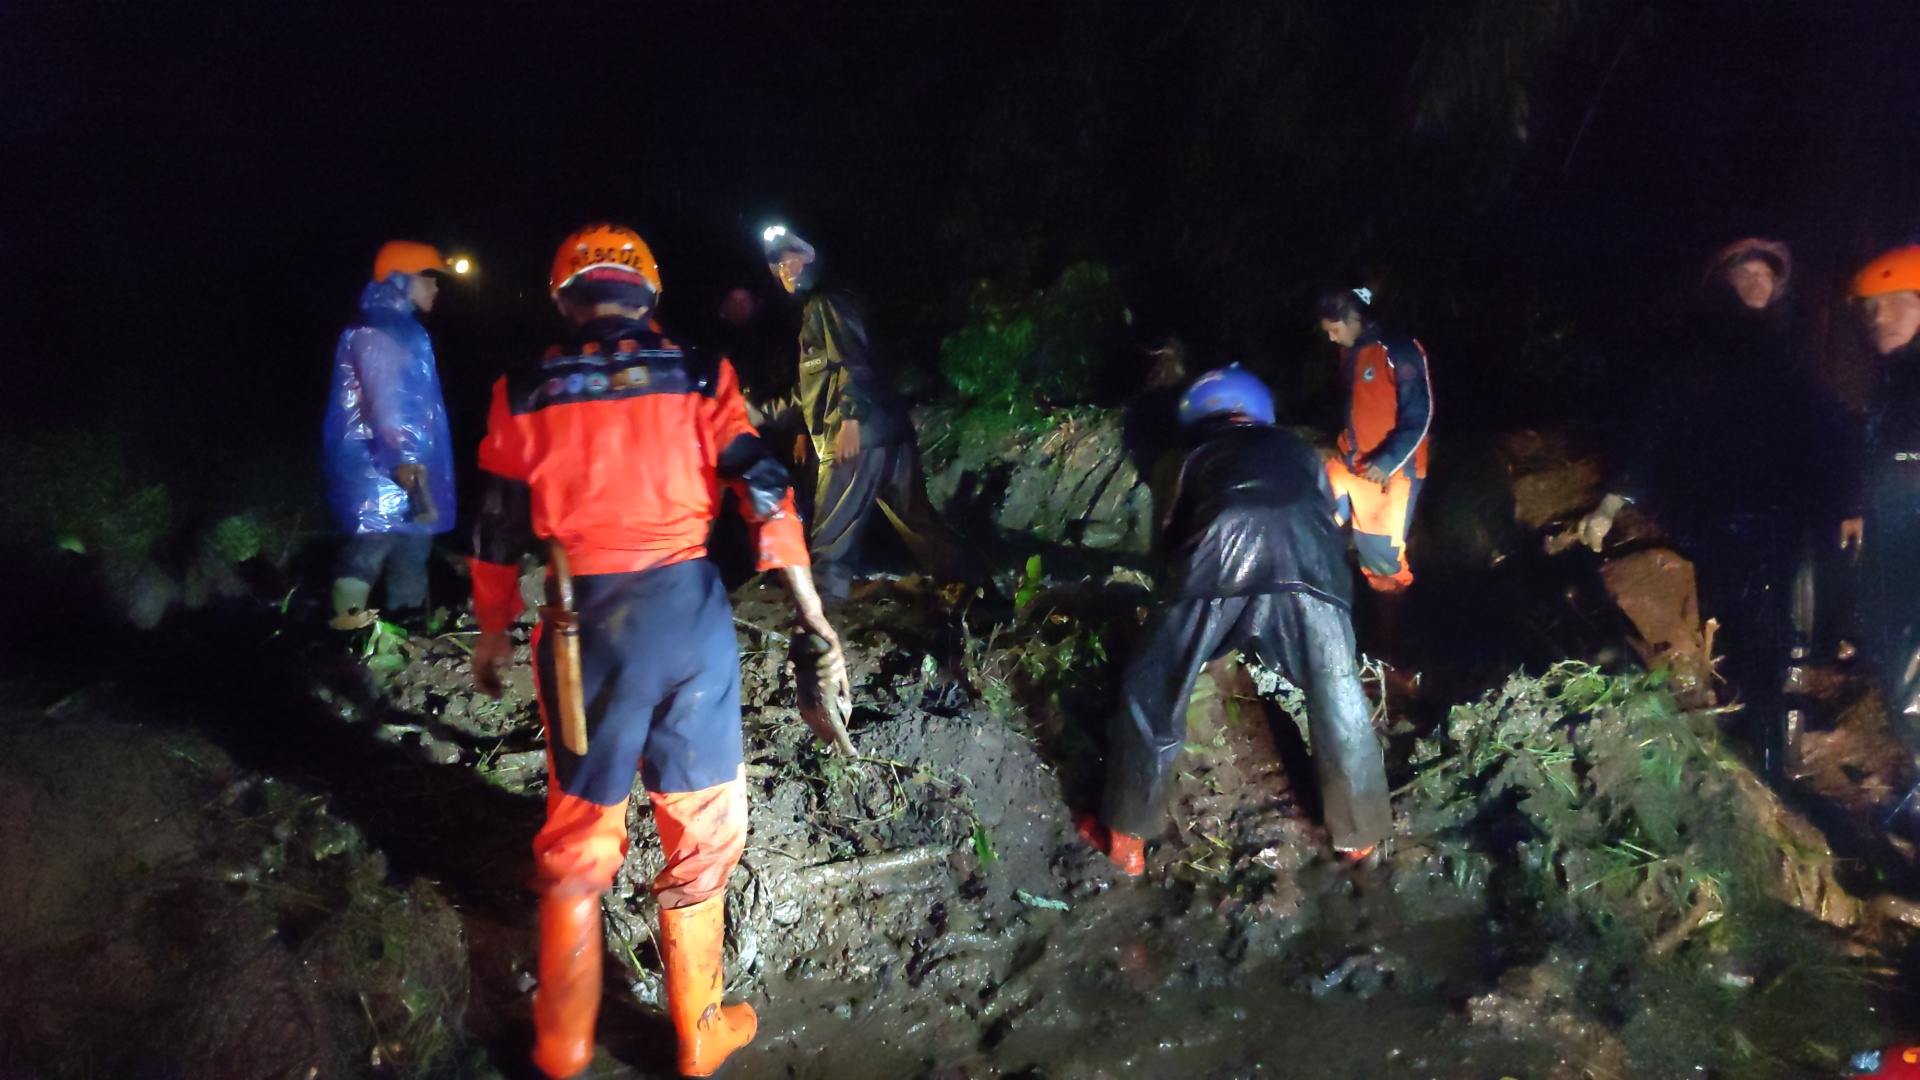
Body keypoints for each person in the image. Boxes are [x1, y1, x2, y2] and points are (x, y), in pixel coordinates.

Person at [467, 223, 849, 1079]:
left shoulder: (522, 387)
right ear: (649, 298)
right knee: (702, 826)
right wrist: (811, 611)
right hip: (689, 621)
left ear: (569, 302)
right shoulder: (700, 372)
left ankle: (563, 1046)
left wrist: (493, 627)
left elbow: (496, 522)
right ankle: (698, 1035)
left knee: (578, 836)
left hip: (584, 630)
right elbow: (761, 483)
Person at [1080, 365, 1393, 876]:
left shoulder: (1183, 456)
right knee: (1337, 694)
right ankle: (1359, 836)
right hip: (1315, 567)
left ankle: (1125, 839)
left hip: (1218, 556)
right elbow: (1325, 515)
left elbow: (1167, 543)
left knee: (1152, 688)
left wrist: (1177, 622)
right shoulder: (1299, 451)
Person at [1578, 239, 1846, 769]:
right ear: (1722, 284)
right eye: (1743, 275)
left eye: (1764, 276)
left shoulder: (1792, 348)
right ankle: (1735, 733)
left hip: (1779, 515)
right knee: (1720, 619)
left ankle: (1768, 749)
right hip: (1712, 511)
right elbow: (1654, 423)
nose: (1755, 284)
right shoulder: (1694, 350)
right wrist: (1613, 498)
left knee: (1772, 628)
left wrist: (1841, 499)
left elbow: (1821, 428)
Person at [759, 224, 975, 599]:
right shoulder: (823, 307)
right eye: (776, 263)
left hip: (858, 437)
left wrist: (850, 420)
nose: (784, 268)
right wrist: (758, 413)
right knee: (920, 524)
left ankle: (822, 627)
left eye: (792, 256)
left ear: (811, 256)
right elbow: (806, 391)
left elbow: (854, 363)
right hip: (888, 432)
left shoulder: (827, 302)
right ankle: (979, 589)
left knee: (831, 541)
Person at [322, 240, 457, 629]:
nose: (435, 288)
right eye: (428, 279)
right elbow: (391, 401)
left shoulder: (400, 327)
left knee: (412, 550)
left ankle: (405, 641)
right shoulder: (380, 328)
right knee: (371, 546)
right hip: (382, 469)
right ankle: (350, 635)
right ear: (400, 280)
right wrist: (409, 459)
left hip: (401, 463)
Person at [1845, 245, 1920, 735]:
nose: (1880, 317)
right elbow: (1884, 447)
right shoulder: (1894, 375)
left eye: (1897, 302)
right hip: (1895, 527)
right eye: (1873, 308)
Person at [1317, 287, 1433, 595]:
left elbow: (1420, 413)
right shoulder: (1350, 352)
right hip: (1350, 464)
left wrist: (1387, 461)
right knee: (1313, 517)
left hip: (1391, 471)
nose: (1331, 338)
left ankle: (1392, 633)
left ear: (1353, 318)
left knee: (1384, 565)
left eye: (1333, 329)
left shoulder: (1398, 349)